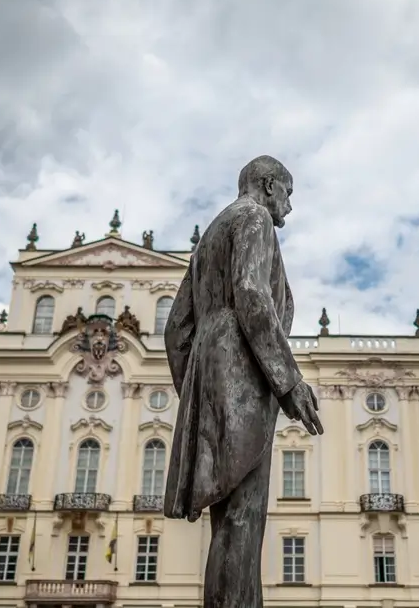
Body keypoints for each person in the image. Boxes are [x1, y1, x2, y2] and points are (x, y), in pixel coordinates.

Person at [163, 154, 323, 608]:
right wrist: (288, 381)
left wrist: (197, 392)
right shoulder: (253, 218)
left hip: (214, 369)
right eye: (288, 193)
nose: (289, 206)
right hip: (244, 371)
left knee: (228, 523)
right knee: (243, 520)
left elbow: (177, 328)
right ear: (268, 185)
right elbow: (252, 293)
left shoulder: (211, 234)